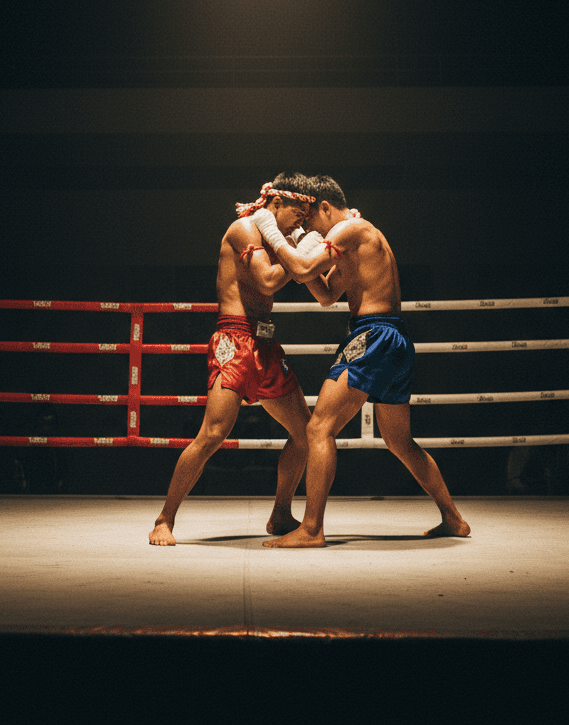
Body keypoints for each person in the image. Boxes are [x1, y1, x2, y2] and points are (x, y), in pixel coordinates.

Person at [249, 174, 469, 546]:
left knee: (318, 428)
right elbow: (325, 294)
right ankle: (454, 518)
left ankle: (312, 529)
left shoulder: (350, 229)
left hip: (374, 335)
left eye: (309, 219)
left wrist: (274, 235)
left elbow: (301, 269)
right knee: (399, 441)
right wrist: (298, 248)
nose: (309, 228)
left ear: (325, 207)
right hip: (394, 338)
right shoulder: (356, 238)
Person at [148, 175, 316, 546]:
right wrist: (299, 249)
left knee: (306, 433)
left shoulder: (277, 238)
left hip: (266, 344)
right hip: (234, 339)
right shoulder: (244, 229)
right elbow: (268, 280)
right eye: (298, 211)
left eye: (307, 215)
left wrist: (303, 248)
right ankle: (164, 519)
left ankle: (281, 512)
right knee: (213, 434)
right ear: (275, 202)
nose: (302, 220)